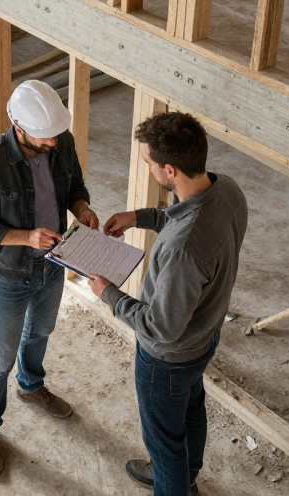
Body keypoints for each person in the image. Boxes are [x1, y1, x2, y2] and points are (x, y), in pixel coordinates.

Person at [88, 112, 247, 496]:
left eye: (150, 163)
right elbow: (187, 218)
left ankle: (173, 481)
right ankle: (186, 477)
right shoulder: (227, 190)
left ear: (170, 170)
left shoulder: (182, 250)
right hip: (204, 337)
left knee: (164, 445)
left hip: (168, 359)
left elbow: (162, 327)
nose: (149, 167)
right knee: (190, 409)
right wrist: (139, 217)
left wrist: (108, 293)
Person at [0, 80, 99, 476]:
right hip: (10, 274)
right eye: (44, 137)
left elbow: (74, 185)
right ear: (18, 127)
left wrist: (81, 208)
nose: (53, 143)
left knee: (41, 330)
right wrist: (26, 237)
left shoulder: (60, 140)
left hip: (53, 263)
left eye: (56, 134)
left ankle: (31, 385)